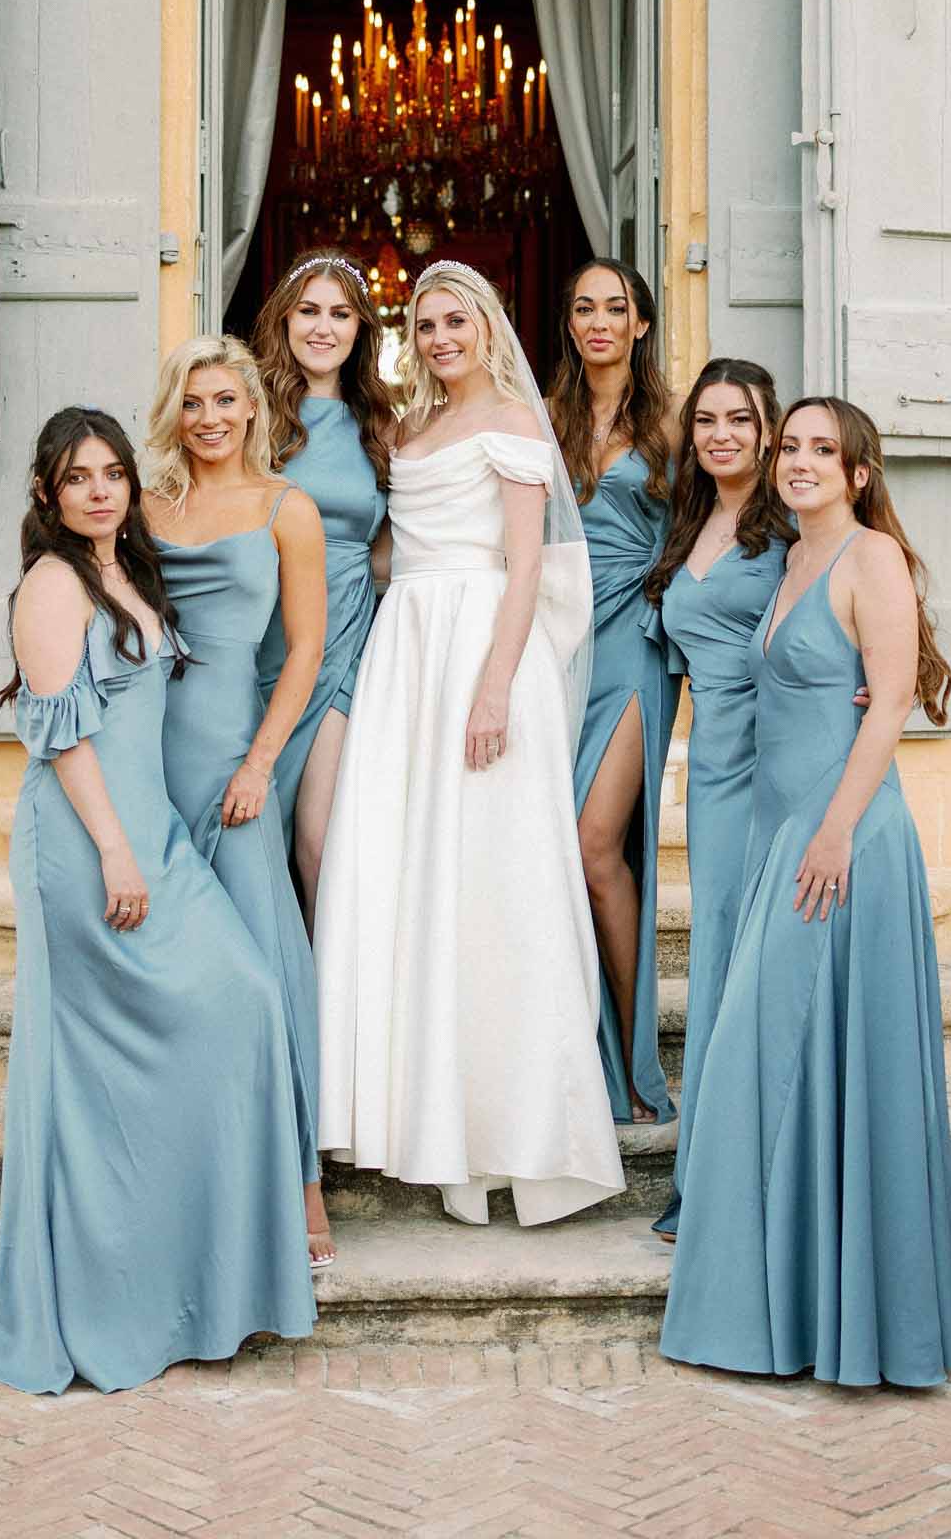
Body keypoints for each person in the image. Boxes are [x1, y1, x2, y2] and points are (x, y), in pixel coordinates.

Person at [660, 398, 951, 1387]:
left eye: (824, 449)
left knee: (766, 1051)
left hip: (847, 841)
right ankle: (784, 1301)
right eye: (791, 446)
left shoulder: (871, 558)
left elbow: (894, 695)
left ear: (860, 471)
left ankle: (834, 1305)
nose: (800, 461)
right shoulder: (782, 561)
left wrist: (833, 830)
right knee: (775, 1056)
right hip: (790, 829)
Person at [0, 407, 316, 1394]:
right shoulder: (51, 585)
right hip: (92, 846)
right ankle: (109, 1295)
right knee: (94, 1078)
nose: (99, 489)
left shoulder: (128, 570)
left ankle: (193, 1283)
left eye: (114, 473)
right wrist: (119, 851)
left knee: (247, 1001)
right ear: (47, 493)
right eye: (77, 476)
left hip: (155, 835)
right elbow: (64, 741)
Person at [313, 261, 625, 1225]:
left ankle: (513, 1135)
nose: (441, 336)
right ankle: (424, 1120)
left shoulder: (518, 427)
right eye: (426, 322)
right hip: (406, 651)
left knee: (493, 879)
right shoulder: (405, 430)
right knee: (411, 876)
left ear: (488, 323)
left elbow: (526, 569)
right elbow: (387, 551)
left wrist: (494, 689)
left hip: (485, 649)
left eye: (457, 319)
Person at [142, 340, 335, 1268]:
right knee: (172, 973)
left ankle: (301, 1184)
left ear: (254, 407)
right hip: (147, 759)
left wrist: (261, 762)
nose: (210, 417)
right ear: (174, 412)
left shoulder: (286, 510)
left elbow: (303, 650)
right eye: (193, 401)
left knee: (265, 972)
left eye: (225, 399)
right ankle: (185, 1171)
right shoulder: (141, 510)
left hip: (232, 760)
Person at [642, 360, 791, 1238]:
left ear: (767, 428)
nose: (722, 434)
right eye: (706, 420)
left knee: (754, 961)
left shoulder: (790, 528)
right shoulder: (688, 522)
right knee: (719, 957)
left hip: (774, 765)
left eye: (739, 419)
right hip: (711, 773)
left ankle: (755, 1176)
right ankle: (711, 1169)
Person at [547, 261, 681, 1127]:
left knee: (599, 845)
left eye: (617, 308)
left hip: (635, 636)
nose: (600, 321)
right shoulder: (544, 420)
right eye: (584, 306)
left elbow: (735, 522)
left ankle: (637, 1065)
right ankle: (577, 1059)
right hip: (556, 644)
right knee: (555, 855)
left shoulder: (672, 423)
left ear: (640, 324)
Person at [251, 251, 393, 932]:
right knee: (255, 835)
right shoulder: (252, 418)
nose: (323, 328)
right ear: (284, 319)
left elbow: (400, 538)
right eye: (309, 310)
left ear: (361, 329)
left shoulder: (382, 424)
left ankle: (326, 1013)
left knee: (318, 839)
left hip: (344, 643)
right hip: (261, 637)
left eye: (340, 314)